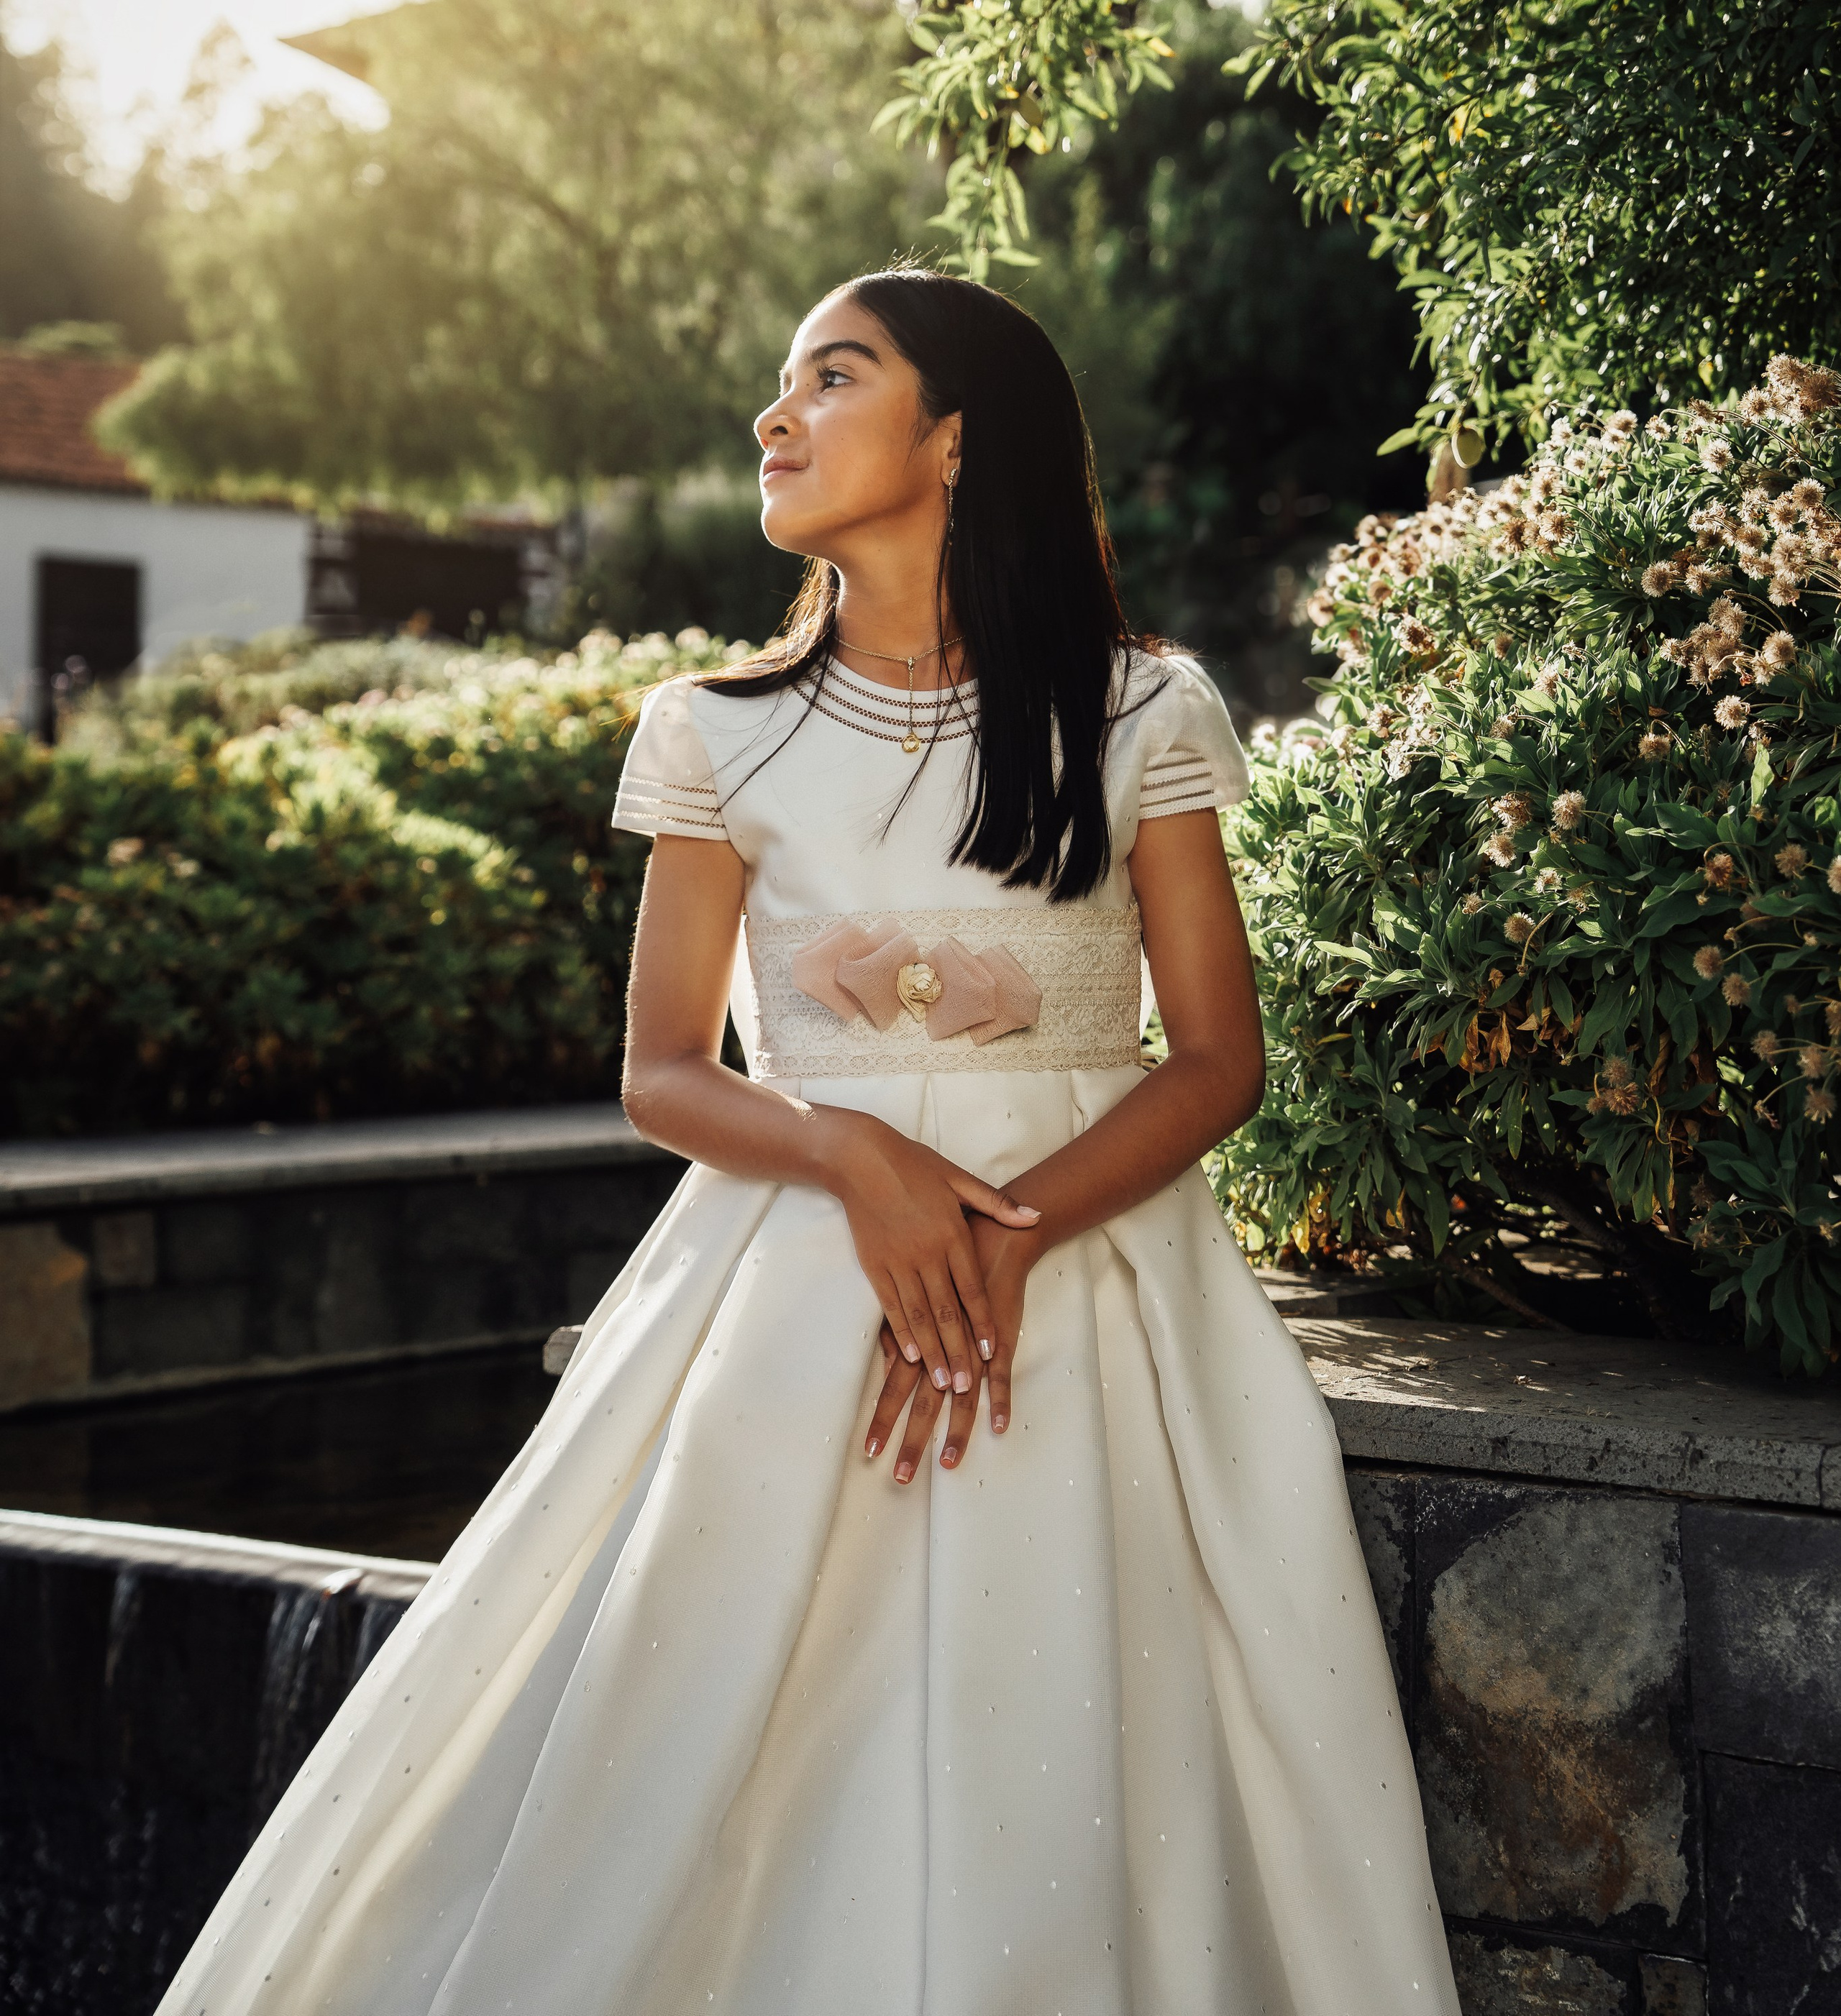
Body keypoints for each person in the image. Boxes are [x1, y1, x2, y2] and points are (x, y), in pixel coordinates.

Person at [158, 268, 1459, 2016]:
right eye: (775, 387)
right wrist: (857, 1155)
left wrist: (1007, 1234)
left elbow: (1215, 1059)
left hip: (1090, 1276)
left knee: (1070, 1709)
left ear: (949, 438)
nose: (771, 417)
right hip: (788, 1276)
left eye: (828, 379)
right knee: (699, 1711)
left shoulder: (1141, 709)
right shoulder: (716, 726)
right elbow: (662, 1072)